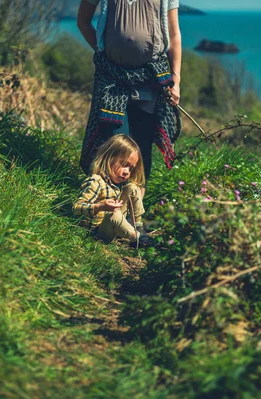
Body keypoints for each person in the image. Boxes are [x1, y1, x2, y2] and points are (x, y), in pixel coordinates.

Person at [77, 0, 182, 198]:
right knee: (115, 145)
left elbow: (174, 35)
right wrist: (102, 50)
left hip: (150, 79)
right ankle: (110, 211)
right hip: (112, 78)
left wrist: (175, 79)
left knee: (141, 149)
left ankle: (134, 214)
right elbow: (83, 21)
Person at [73, 134, 155, 248]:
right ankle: (136, 238)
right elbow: (76, 208)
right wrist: (100, 206)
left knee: (133, 188)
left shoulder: (117, 185)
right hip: (97, 232)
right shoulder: (95, 181)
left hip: (112, 224)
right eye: (124, 164)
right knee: (114, 214)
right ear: (109, 157)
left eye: (131, 169)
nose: (127, 172)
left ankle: (137, 226)